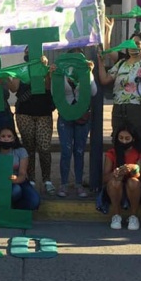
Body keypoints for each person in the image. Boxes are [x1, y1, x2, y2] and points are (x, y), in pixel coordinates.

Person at [97, 34, 141, 149]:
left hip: (139, 109)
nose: (133, 46)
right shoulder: (121, 63)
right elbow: (104, 80)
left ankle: (139, 166)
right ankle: (120, 166)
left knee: (139, 142)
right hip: (119, 108)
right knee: (118, 141)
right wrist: (101, 62)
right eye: (131, 43)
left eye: (137, 43)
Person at [9, 47, 55, 194]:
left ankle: (47, 179)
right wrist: (7, 76)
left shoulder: (45, 67)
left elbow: (48, 87)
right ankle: (32, 179)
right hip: (24, 113)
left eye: (32, 50)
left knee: (44, 147)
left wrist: (46, 72)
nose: (29, 53)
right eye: (27, 51)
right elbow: (14, 88)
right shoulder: (21, 68)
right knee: (28, 147)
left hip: (43, 112)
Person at [55, 51, 97, 197]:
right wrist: (54, 75)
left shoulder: (85, 72)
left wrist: (89, 74)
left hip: (82, 117)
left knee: (79, 151)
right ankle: (63, 184)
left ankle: (79, 183)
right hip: (65, 116)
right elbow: (55, 93)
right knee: (66, 151)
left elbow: (93, 92)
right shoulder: (61, 73)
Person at [102, 127, 141, 230]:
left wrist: (132, 169)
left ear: (133, 139)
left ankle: (133, 216)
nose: (123, 141)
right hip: (114, 187)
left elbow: (139, 175)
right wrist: (116, 174)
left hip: (133, 188)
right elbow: (105, 178)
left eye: (127, 138)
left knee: (134, 182)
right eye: (121, 138)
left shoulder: (139, 153)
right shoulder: (111, 153)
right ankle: (116, 215)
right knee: (115, 182)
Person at [0, 126, 40, 212]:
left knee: (34, 201)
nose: (6, 139)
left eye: (9, 136)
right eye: (3, 136)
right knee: (16, 191)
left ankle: (14, 208)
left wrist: (10, 179)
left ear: (14, 138)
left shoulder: (21, 151)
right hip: (0, 183)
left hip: (18, 180)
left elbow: (22, 174)